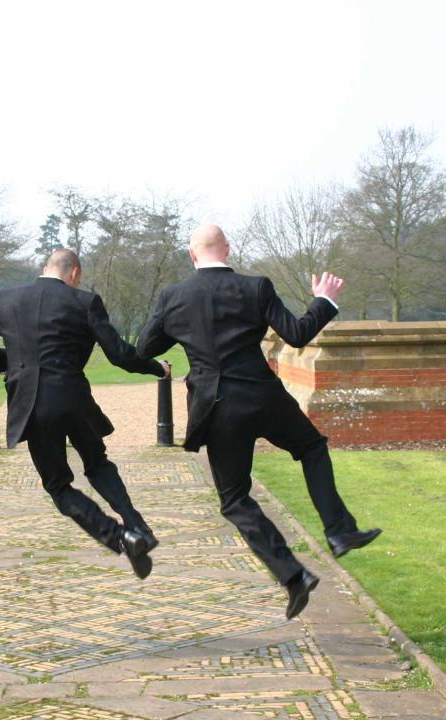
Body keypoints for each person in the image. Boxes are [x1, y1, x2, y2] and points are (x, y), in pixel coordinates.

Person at [136, 223, 381, 618]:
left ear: (191, 254)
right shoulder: (256, 287)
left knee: (235, 499)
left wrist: (183, 327)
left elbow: (145, 347)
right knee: (311, 447)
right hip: (262, 397)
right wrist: (324, 300)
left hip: (215, 409)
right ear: (227, 250)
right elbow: (297, 334)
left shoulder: (173, 296)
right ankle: (338, 530)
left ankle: (292, 575)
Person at [0, 249, 170, 579]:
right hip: (72, 397)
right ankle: (138, 527)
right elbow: (119, 354)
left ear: (45, 268)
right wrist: (155, 368)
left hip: (31, 404)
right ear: (74, 272)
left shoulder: (6, 299)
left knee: (59, 486)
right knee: (98, 463)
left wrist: (21, 363)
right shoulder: (84, 302)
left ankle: (120, 535)